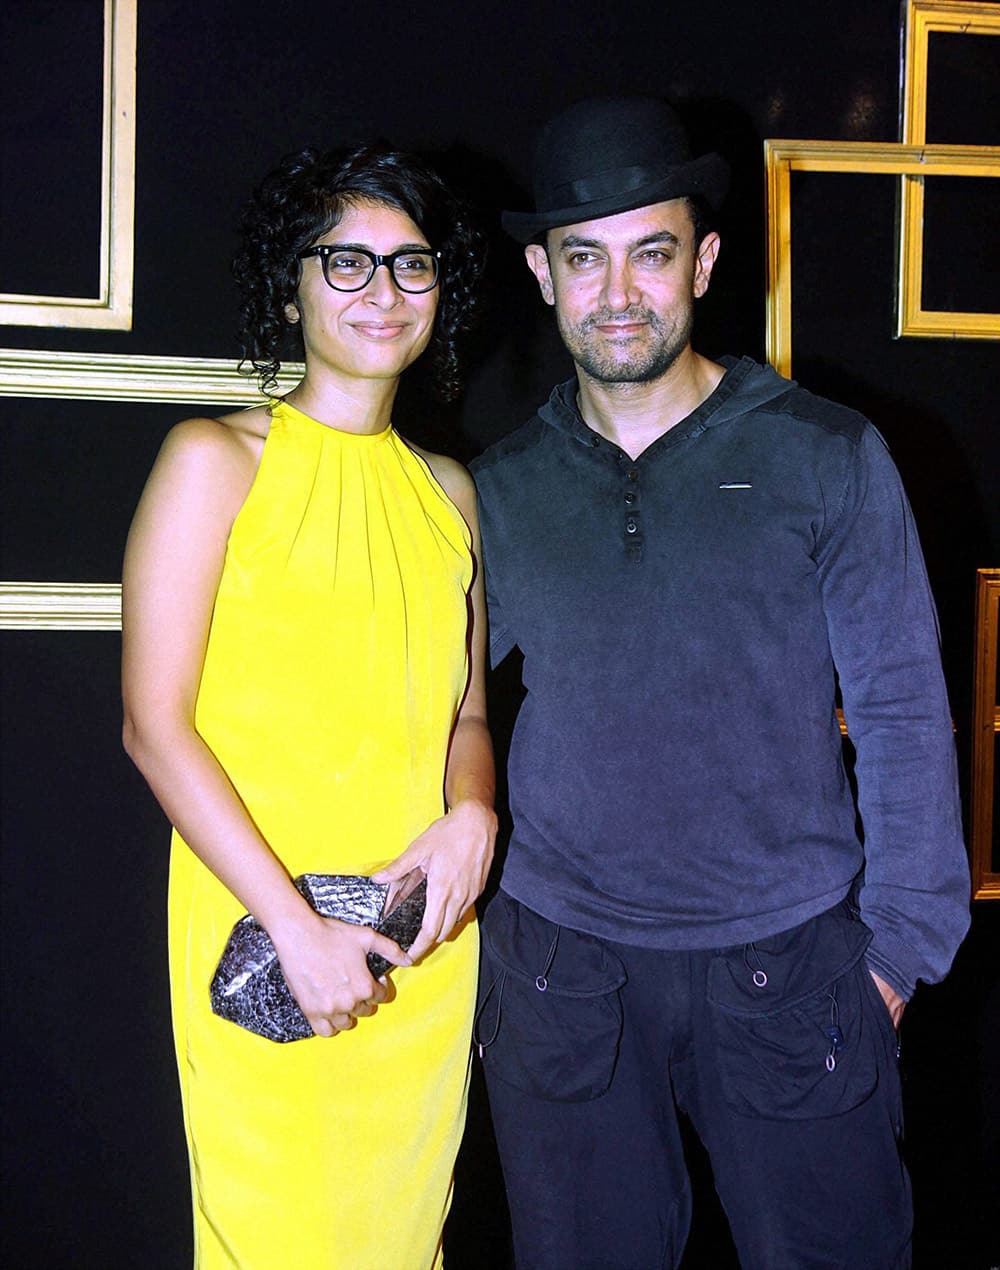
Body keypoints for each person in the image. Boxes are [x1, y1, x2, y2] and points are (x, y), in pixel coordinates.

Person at [471, 97, 970, 1269]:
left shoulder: (823, 451)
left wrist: (896, 953)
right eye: (584, 258)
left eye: (649, 252)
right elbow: (433, 712)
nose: (617, 293)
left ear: (701, 259)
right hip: (561, 966)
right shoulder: (495, 488)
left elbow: (901, 711)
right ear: (543, 273)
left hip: (793, 965)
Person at [122, 143, 496, 1269]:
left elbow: (467, 718)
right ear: (289, 287)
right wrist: (293, 929)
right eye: (346, 263)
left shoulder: (450, 493)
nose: (382, 293)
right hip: (264, 941)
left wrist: (474, 819)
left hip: (416, 950)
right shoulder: (213, 458)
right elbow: (153, 723)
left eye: (411, 265)